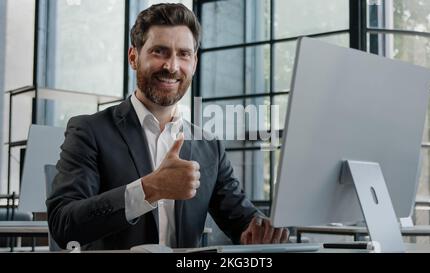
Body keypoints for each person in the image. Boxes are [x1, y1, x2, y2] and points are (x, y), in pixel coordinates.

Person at [46, 3, 289, 250]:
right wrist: (150, 189)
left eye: (183, 54)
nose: (172, 66)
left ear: (193, 62)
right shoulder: (89, 131)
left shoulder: (208, 146)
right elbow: (63, 224)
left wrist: (261, 229)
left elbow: (242, 219)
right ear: (133, 57)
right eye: (159, 51)